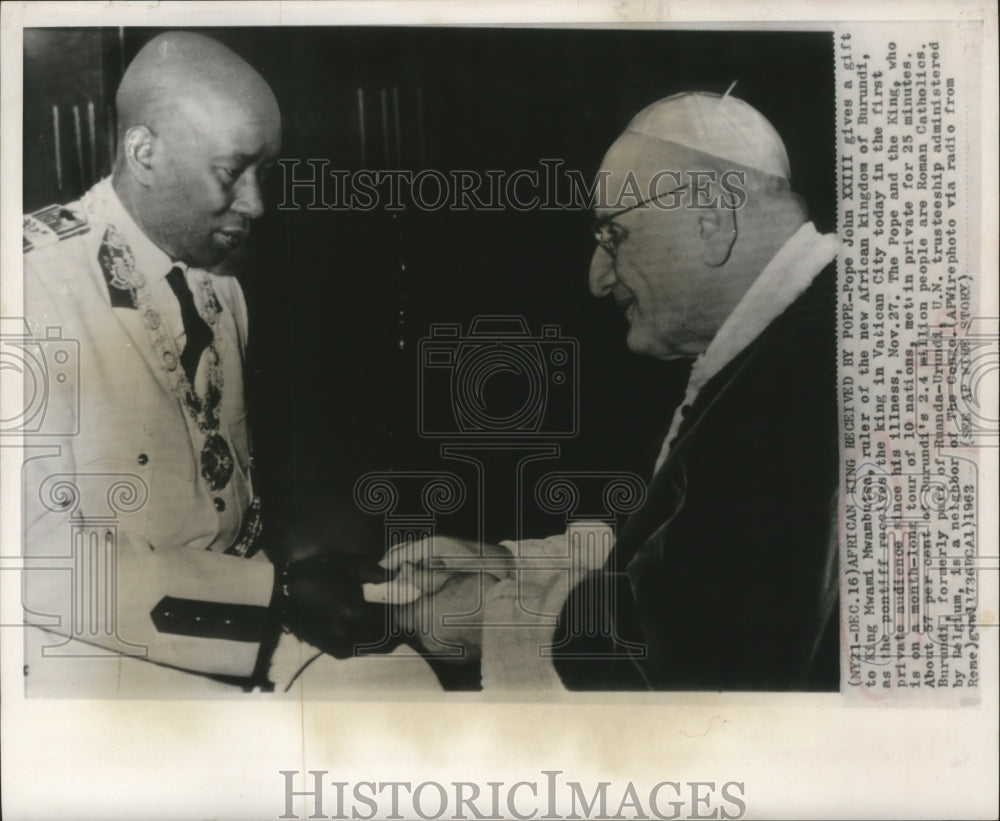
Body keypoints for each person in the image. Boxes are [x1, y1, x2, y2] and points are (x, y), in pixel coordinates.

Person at [385, 91, 841, 691]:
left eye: (614, 236)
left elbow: (713, 649)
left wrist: (494, 623)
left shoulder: (810, 371)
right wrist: (509, 566)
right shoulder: (792, 335)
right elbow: (683, 553)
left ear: (712, 225)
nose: (597, 280)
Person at [20, 31, 413, 695]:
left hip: (230, 619)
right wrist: (274, 598)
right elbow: (39, 561)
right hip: (82, 656)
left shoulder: (219, 278)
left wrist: (297, 584)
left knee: (402, 688)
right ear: (144, 152)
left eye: (265, 174)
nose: (257, 205)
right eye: (232, 174)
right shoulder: (30, 284)